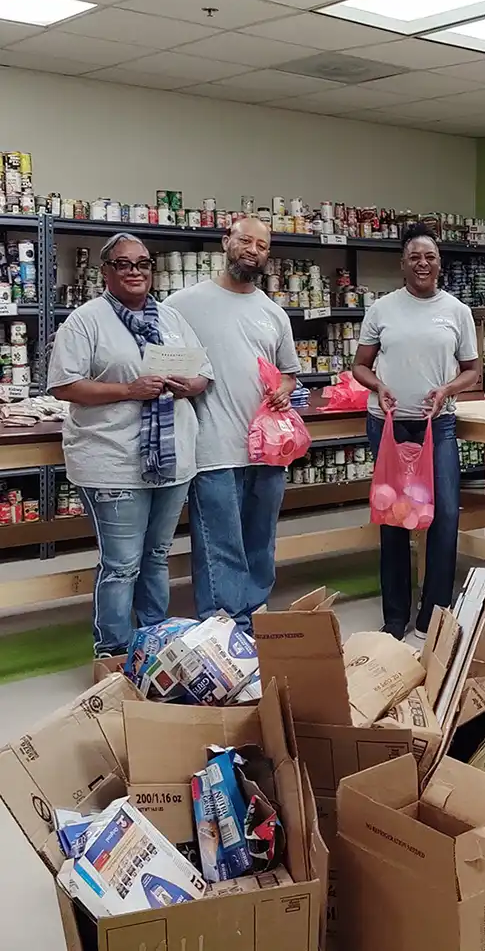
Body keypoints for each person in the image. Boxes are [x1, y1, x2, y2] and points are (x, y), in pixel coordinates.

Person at [47, 232, 212, 656]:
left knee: (156, 555)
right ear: (105, 271)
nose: (135, 271)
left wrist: (184, 385)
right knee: (121, 565)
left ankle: (154, 645)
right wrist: (128, 390)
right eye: (124, 264)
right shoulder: (86, 321)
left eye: (143, 263)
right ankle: (115, 653)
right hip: (112, 459)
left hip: (172, 459)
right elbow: (64, 386)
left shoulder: (172, 320)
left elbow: (203, 374)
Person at [166, 217, 300, 633]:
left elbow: (290, 372)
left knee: (260, 539)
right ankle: (224, 626)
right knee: (219, 543)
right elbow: (163, 362)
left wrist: (284, 386)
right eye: (245, 241)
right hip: (213, 447)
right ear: (226, 242)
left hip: (267, 449)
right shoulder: (182, 304)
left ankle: (254, 612)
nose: (253, 250)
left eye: (262, 246)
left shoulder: (273, 313)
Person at [353, 223, 480, 640]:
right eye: (414, 257)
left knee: (443, 515)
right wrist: (378, 386)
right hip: (388, 426)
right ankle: (395, 616)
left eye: (430, 257)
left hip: (437, 426)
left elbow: (474, 372)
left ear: (440, 263)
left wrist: (447, 390)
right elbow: (360, 365)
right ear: (402, 265)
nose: (422, 263)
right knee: (393, 516)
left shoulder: (457, 311)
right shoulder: (382, 309)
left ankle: (433, 613)